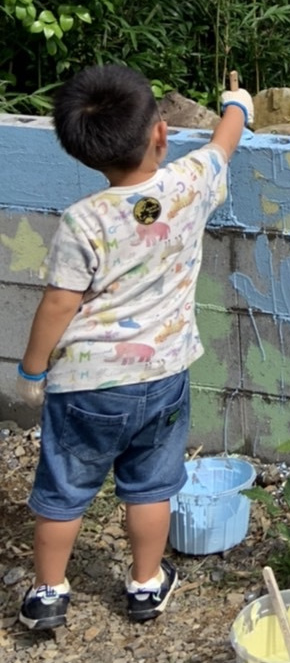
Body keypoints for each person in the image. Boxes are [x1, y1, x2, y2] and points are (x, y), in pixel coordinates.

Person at [14, 64, 253, 631]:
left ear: (83, 154)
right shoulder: (189, 183)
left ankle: (48, 593)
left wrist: (32, 370)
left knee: (65, 489)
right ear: (161, 133)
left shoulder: (83, 221)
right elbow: (225, 142)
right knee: (150, 487)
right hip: (163, 378)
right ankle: (146, 584)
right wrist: (237, 103)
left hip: (86, 388)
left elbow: (59, 303)